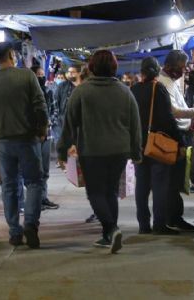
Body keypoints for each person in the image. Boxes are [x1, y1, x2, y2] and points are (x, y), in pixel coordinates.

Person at [57, 50, 142, 254]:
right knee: (110, 191)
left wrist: (62, 151)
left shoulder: (82, 91)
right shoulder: (124, 91)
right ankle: (107, 236)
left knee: (95, 192)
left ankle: (112, 229)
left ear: (92, 67)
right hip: (119, 150)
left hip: (92, 150)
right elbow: (135, 124)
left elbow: (69, 124)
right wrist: (136, 151)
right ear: (114, 67)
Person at [0, 42, 48, 248]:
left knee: (9, 186)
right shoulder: (27, 76)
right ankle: (30, 224)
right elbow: (40, 105)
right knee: (34, 182)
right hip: (27, 138)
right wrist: (42, 129)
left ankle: (14, 231)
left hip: (3, 141)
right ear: (12, 55)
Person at [130, 57, 184, 235]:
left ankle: (143, 225)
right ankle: (160, 224)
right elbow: (168, 119)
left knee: (142, 186)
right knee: (160, 185)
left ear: (142, 72)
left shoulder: (134, 89)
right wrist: (180, 142)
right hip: (157, 144)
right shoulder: (157, 88)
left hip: (138, 144)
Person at [159, 50, 194, 232]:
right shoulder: (164, 83)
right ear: (171, 66)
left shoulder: (170, 81)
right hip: (175, 134)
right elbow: (176, 112)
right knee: (173, 180)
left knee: (176, 180)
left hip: (180, 133)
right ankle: (173, 218)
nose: (183, 70)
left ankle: (174, 217)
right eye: (181, 67)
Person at [19, 65, 59, 212]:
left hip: (46, 135)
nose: (41, 77)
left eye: (43, 75)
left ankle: (43, 198)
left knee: (45, 170)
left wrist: (48, 123)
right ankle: (33, 201)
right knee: (34, 170)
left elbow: (54, 110)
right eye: (39, 75)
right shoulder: (26, 94)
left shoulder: (48, 92)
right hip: (32, 137)